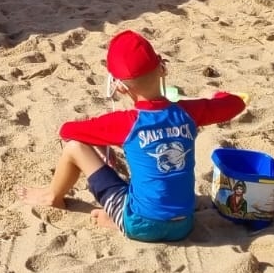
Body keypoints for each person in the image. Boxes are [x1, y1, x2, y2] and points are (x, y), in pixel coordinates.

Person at [17, 31, 246, 242]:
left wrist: (95, 128)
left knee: (74, 148)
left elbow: (67, 131)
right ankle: (116, 218)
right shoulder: (189, 112)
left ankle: (53, 197)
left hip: (141, 224)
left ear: (121, 87)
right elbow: (236, 104)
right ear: (162, 70)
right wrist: (214, 94)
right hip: (184, 224)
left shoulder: (126, 122)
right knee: (145, 184)